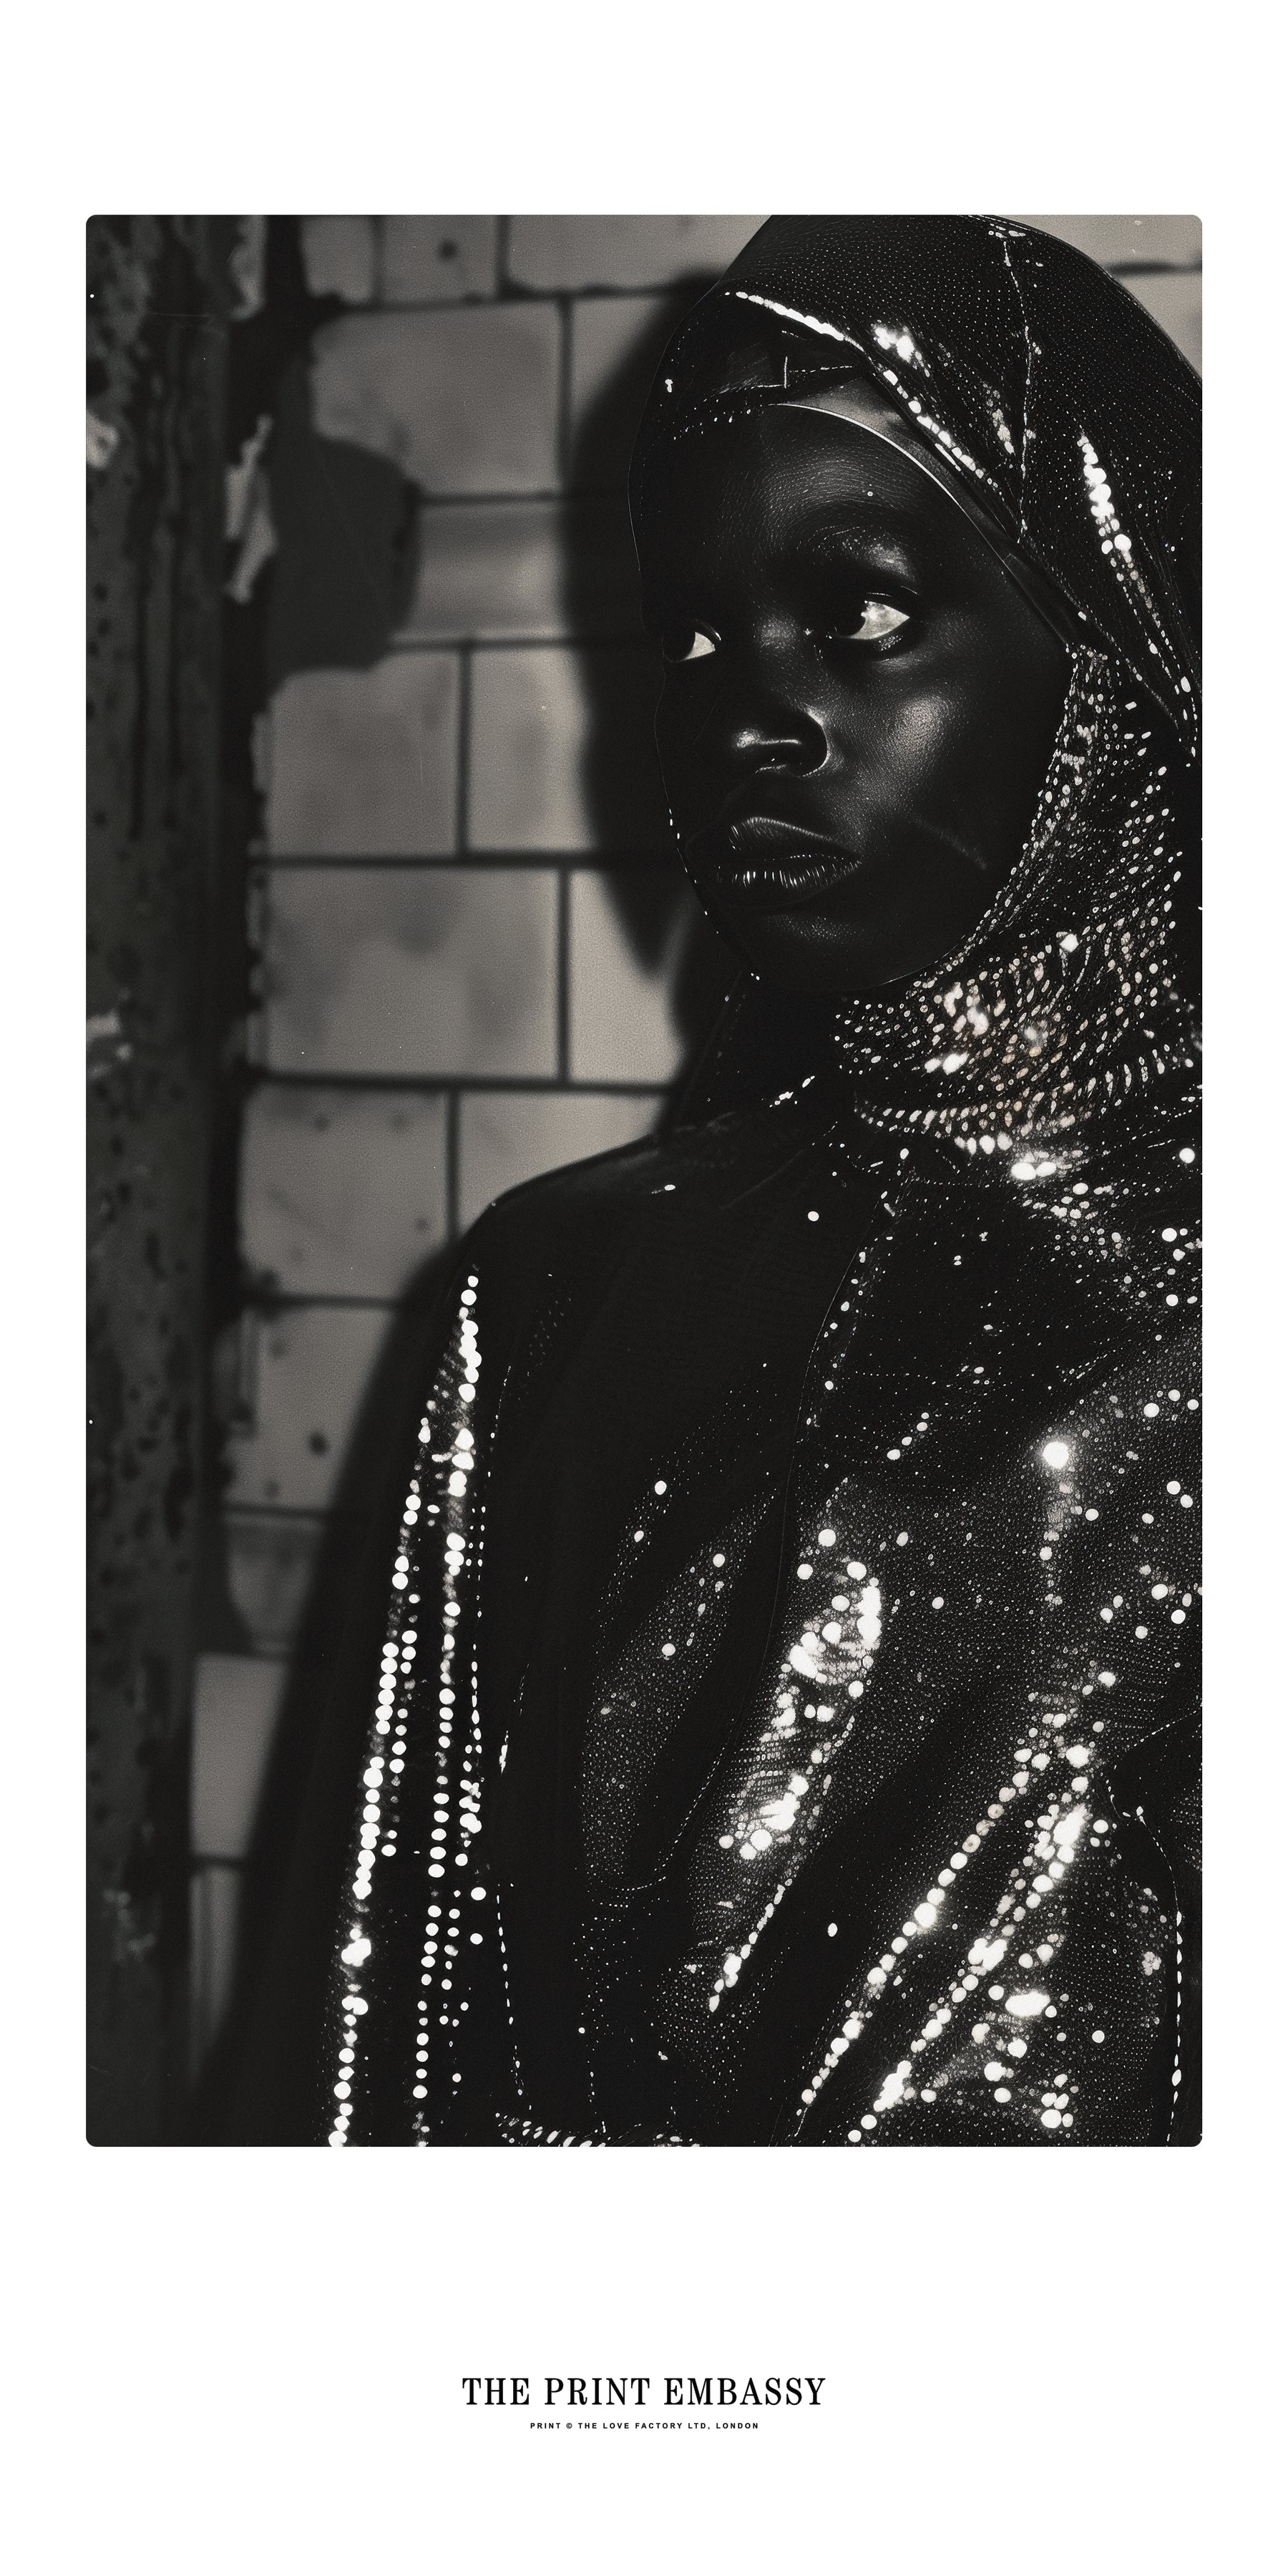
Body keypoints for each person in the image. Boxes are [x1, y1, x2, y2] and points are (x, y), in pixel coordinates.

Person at [244, 216, 1201, 2147]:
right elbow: (368, 2051)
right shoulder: (556, 1288)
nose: (746, 713)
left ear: (1120, 652)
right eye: (692, 631)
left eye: (859, 613)